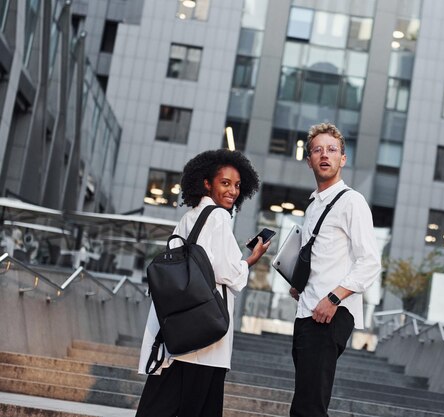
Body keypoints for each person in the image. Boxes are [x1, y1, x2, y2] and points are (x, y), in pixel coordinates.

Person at [135, 149, 271, 417]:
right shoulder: (218, 217)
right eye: (225, 183)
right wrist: (251, 259)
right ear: (206, 183)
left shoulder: (189, 218)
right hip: (206, 340)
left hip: (178, 333)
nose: (232, 191)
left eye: (237, 186)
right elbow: (227, 274)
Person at [289, 123, 381, 417]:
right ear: (309, 161)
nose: (324, 155)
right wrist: (298, 282)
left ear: (343, 159)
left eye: (332, 150)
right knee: (305, 402)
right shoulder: (314, 204)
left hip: (329, 314)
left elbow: (370, 262)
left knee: (309, 407)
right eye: (317, 150)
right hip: (306, 311)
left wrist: (333, 298)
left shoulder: (352, 202)